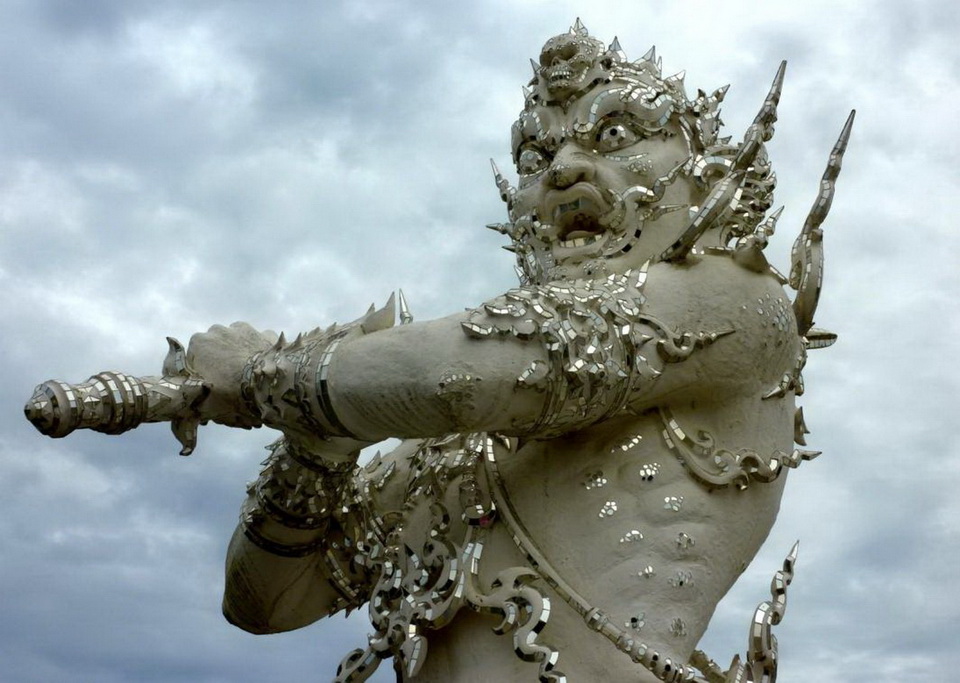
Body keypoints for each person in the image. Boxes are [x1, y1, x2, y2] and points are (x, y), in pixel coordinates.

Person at [27, 21, 852, 683]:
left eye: (613, 135)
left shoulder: (740, 309)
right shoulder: (455, 454)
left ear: (705, 176)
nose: (564, 168)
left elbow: (461, 376)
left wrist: (267, 372)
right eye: (537, 153)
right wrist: (318, 442)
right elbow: (265, 602)